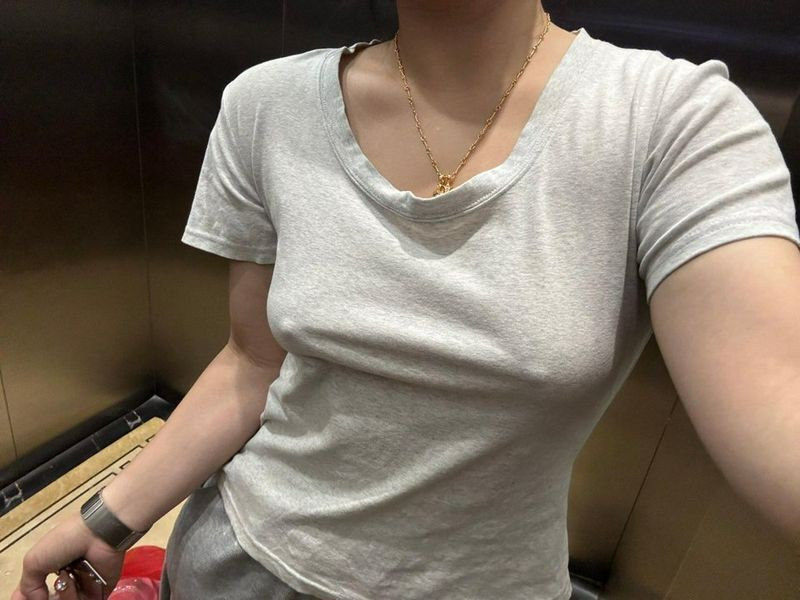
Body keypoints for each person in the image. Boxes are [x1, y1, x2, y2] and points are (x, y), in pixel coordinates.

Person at [12, 0, 800, 599]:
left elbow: (778, 396)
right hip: (236, 565)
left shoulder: (672, 125)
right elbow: (250, 361)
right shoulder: (266, 105)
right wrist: (106, 520)